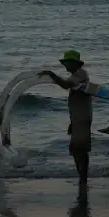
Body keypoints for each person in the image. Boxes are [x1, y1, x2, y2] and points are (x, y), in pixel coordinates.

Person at [39, 50, 92, 184]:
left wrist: (51, 74)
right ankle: (82, 177)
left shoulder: (80, 74)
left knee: (80, 149)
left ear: (74, 63)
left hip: (82, 117)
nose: (65, 66)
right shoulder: (76, 75)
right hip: (78, 117)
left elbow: (65, 85)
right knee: (76, 149)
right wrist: (72, 122)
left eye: (67, 63)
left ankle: (83, 178)